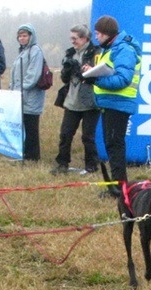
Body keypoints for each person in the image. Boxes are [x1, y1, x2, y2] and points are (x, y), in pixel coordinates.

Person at [82, 15, 142, 186]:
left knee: (115, 146)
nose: (96, 37)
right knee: (112, 145)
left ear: (108, 34)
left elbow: (123, 79)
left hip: (119, 104)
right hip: (111, 103)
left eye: (98, 34)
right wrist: (92, 72)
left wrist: (95, 79)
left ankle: (120, 188)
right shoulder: (112, 49)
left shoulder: (123, 50)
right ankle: (116, 186)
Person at [51, 24, 101, 176]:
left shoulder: (96, 52)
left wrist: (82, 71)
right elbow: (65, 79)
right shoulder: (70, 53)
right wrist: (66, 71)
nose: (72, 41)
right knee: (65, 134)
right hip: (72, 100)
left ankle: (91, 166)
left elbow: (98, 75)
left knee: (88, 136)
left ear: (85, 38)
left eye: (75, 38)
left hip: (90, 101)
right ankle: (62, 164)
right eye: (71, 38)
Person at [10, 23, 46, 161]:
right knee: (24, 126)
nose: (22, 38)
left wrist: (20, 90)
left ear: (31, 36)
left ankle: (33, 157)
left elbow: (32, 75)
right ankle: (25, 153)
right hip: (21, 96)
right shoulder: (23, 52)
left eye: (24, 35)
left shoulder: (35, 50)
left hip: (31, 96)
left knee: (31, 127)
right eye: (20, 36)